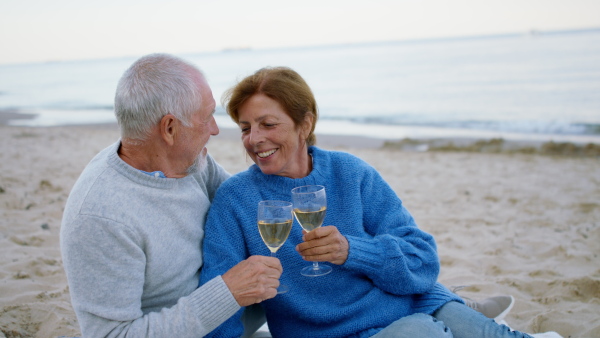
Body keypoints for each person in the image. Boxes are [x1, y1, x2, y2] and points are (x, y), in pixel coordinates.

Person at [198, 66, 539, 338]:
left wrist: (353, 251)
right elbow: (219, 297)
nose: (254, 139)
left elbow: (423, 261)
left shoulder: (350, 173)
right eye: (245, 128)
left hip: (416, 302)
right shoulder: (236, 199)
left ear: (305, 123)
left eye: (268, 124)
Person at [60, 54, 282, 337]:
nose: (215, 129)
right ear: (169, 128)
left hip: (237, 323)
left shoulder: (190, 162)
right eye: (207, 117)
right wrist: (227, 293)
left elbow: (246, 203)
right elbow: (112, 334)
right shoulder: (101, 216)